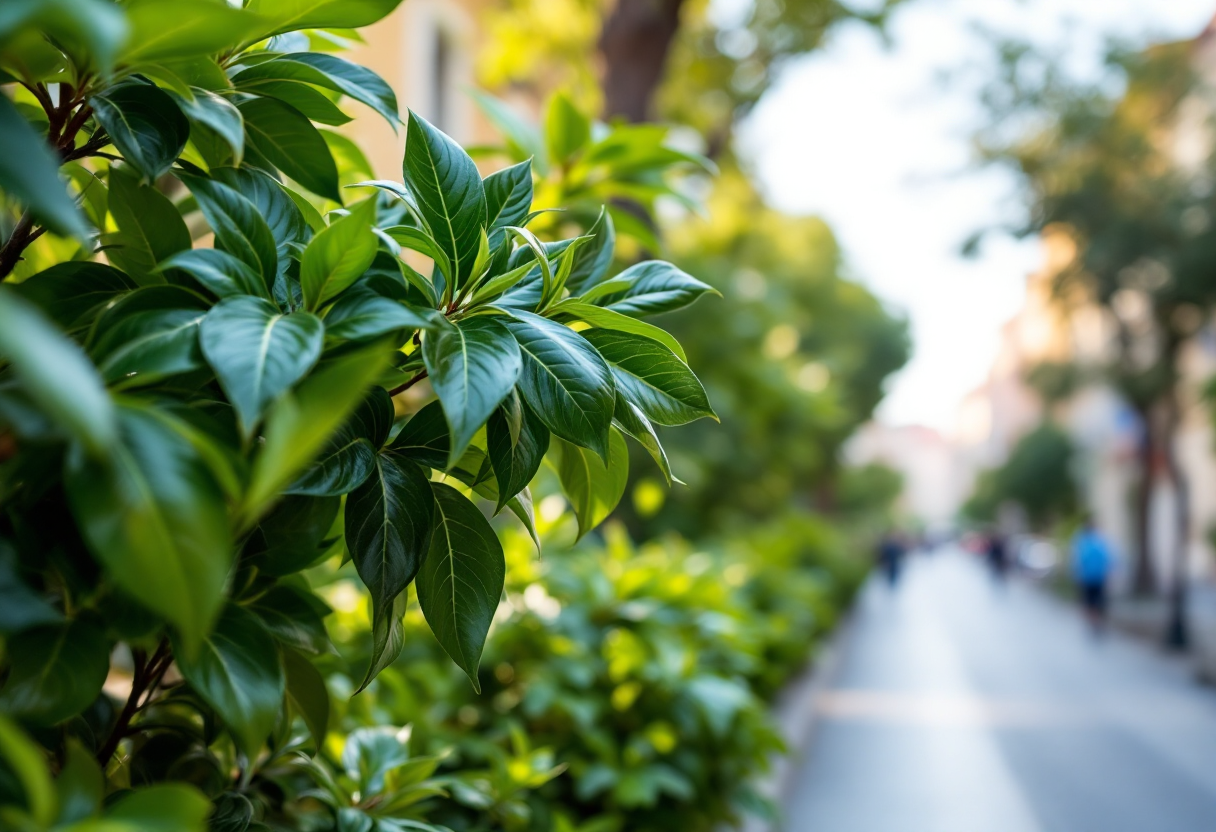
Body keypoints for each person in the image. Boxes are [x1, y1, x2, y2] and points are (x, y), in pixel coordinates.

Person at [1071, 517, 1114, 634]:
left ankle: (1093, 620)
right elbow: (1108, 559)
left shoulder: (1082, 542)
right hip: (1099, 577)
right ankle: (1097, 620)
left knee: (1089, 600)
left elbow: (1077, 561)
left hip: (1087, 578)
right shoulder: (1100, 541)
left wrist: (1076, 576)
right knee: (1098, 599)